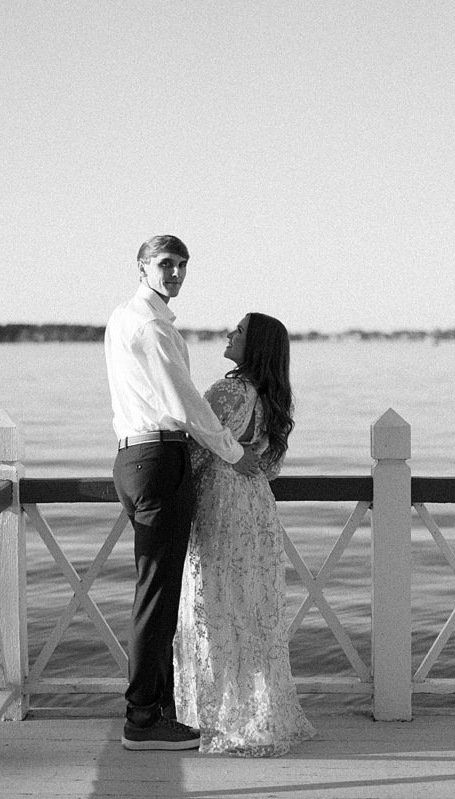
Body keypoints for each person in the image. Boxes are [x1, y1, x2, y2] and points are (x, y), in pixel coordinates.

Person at [104, 235, 259, 751]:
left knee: (157, 590)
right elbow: (187, 404)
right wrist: (236, 455)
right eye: (165, 264)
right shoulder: (151, 325)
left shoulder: (126, 317)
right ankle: (143, 718)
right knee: (157, 596)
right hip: (158, 457)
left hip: (133, 457)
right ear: (142, 267)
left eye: (182, 266)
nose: (175, 273)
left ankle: (159, 708)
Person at [173, 312, 316, 757]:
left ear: (253, 346)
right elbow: (269, 467)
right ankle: (256, 712)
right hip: (254, 509)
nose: (229, 334)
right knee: (248, 609)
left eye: (239, 331)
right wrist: (242, 457)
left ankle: (212, 717)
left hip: (220, 505)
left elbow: (193, 452)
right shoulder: (271, 398)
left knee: (214, 606)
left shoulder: (228, 390)